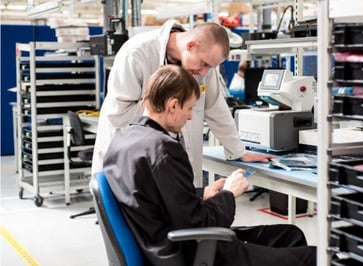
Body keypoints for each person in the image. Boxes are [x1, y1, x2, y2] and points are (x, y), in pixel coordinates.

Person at [103, 65, 316, 266]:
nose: (189, 116)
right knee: (313, 257)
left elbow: (157, 197)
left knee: (290, 234)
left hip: (158, 244)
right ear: (173, 105)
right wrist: (229, 194)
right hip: (186, 253)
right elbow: (199, 224)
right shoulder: (164, 149)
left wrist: (203, 193)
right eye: (189, 109)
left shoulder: (124, 139)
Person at [92, 20, 271, 187]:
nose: (203, 73)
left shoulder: (202, 65)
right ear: (191, 45)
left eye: (209, 68)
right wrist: (165, 106)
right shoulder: (136, 54)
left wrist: (238, 151)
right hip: (130, 164)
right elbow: (118, 115)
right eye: (204, 64)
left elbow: (216, 108)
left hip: (174, 166)